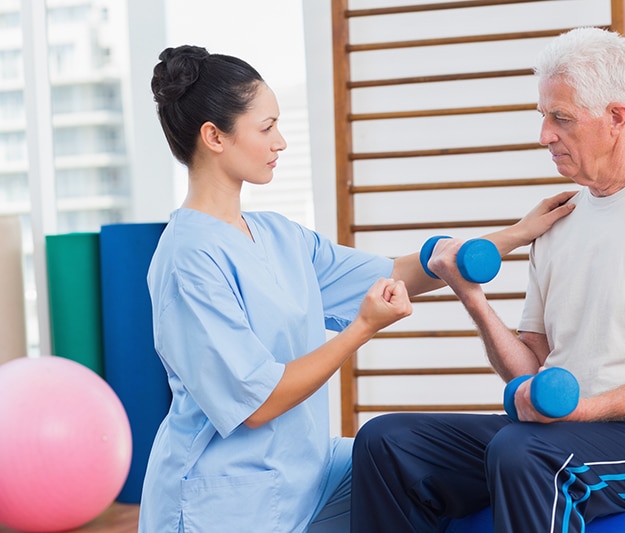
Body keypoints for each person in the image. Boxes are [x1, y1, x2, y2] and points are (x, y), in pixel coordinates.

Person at [139, 45, 575, 533]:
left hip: (310, 474)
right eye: (266, 128)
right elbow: (257, 405)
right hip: (227, 504)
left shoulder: (278, 235)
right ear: (214, 137)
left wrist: (515, 233)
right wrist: (362, 329)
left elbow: (395, 272)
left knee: (415, 457)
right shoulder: (188, 258)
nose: (281, 142)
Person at [350, 27, 625, 532]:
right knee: (387, 441)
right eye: (543, 116)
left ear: (616, 118)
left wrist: (579, 412)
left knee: (524, 452)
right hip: (571, 429)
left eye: (562, 119)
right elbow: (529, 367)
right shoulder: (561, 217)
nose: (545, 135)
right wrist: (473, 299)